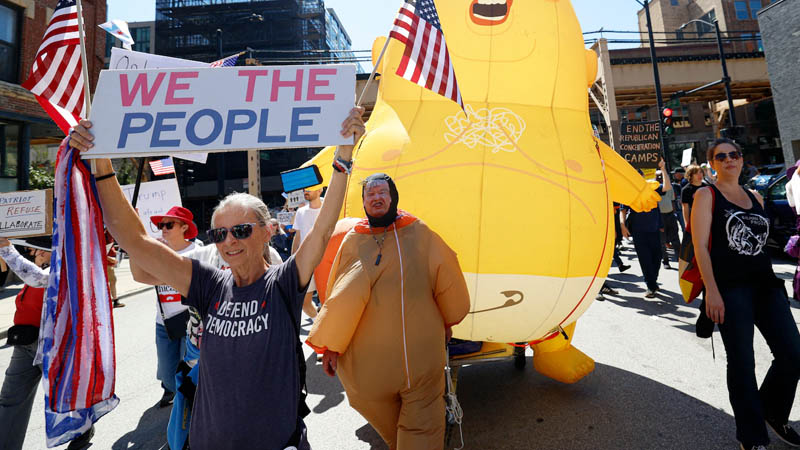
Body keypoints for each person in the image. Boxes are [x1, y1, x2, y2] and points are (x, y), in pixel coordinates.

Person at [68, 107, 365, 450]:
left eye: (240, 230)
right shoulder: (209, 284)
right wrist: (101, 164)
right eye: (219, 233)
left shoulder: (283, 282)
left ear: (268, 231)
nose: (229, 241)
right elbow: (136, 242)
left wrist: (344, 156)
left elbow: (324, 226)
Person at [307, 173, 470, 450]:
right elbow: (342, 298)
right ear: (364, 202)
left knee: (421, 427)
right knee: (396, 428)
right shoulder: (353, 241)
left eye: (382, 192)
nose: (376, 198)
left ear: (393, 197)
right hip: (371, 369)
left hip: (421, 360)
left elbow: (447, 276)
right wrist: (331, 346)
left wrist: (448, 317)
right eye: (370, 194)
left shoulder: (419, 233)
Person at [692, 138, 800, 450]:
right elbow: (700, 245)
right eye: (721, 156)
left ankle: (771, 411)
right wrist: (711, 292)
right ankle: (752, 437)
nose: (729, 160)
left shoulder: (755, 196)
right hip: (729, 289)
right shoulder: (706, 194)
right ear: (712, 163)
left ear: (742, 160)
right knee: (741, 363)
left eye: (734, 154)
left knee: (793, 355)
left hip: (766, 285)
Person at [0, 237, 94, 450]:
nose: (34, 254)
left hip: (54, 347)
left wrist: (7, 250)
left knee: (64, 396)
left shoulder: (66, 267)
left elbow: (37, 278)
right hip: (25, 345)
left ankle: (82, 426)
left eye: (38, 250)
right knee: (10, 399)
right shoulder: (44, 265)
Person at [132, 206, 200, 408]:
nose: (163, 229)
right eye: (161, 225)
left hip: (192, 323)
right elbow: (139, 276)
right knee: (169, 376)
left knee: (189, 373)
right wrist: (134, 242)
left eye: (169, 224)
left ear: (184, 227)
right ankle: (176, 395)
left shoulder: (198, 252)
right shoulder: (158, 252)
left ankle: (190, 416)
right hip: (164, 324)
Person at [620, 160, 672, 298]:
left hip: (654, 228)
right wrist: (622, 225)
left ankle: (652, 281)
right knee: (645, 259)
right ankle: (650, 285)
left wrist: (663, 168)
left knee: (657, 256)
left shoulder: (651, 187)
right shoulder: (628, 191)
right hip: (638, 230)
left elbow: (667, 187)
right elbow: (623, 210)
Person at [292, 186, 324, 320]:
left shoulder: (329, 207)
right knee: (304, 303)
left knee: (328, 299)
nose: (306, 191)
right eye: (305, 189)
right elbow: (297, 237)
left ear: (320, 190)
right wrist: (292, 260)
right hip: (306, 262)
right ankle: (319, 323)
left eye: (309, 189)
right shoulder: (300, 212)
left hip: (327, 259)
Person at [656, 171, 681, 269]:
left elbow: (672, 201)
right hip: (660, 217)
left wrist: (674, 214)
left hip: (670, 215)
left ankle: (680, 259)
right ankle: (665, 261)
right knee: (662, 241)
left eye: (661, 176)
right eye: (658, 177)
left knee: (675, 239)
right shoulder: (653, 189)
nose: (660, 178)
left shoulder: (669, 187)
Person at [681, 164, 707, 235]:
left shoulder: (707, 187)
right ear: (690, 175)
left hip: (708, 218)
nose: (699, 175)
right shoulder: (686, 190)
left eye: (700, 172)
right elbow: (685, 208)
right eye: (696, 173)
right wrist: (687, 223)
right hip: (695, 220)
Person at [106, 230, 124, 308]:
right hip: (107, 263)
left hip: (109, 262)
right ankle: (113, 300)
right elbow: (99, 250)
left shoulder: (110, 234)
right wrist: (109, 259)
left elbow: (109, 248)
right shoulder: (106, 234)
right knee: (112, 280)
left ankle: (114, 300)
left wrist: (115, 253)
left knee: (112, 281)